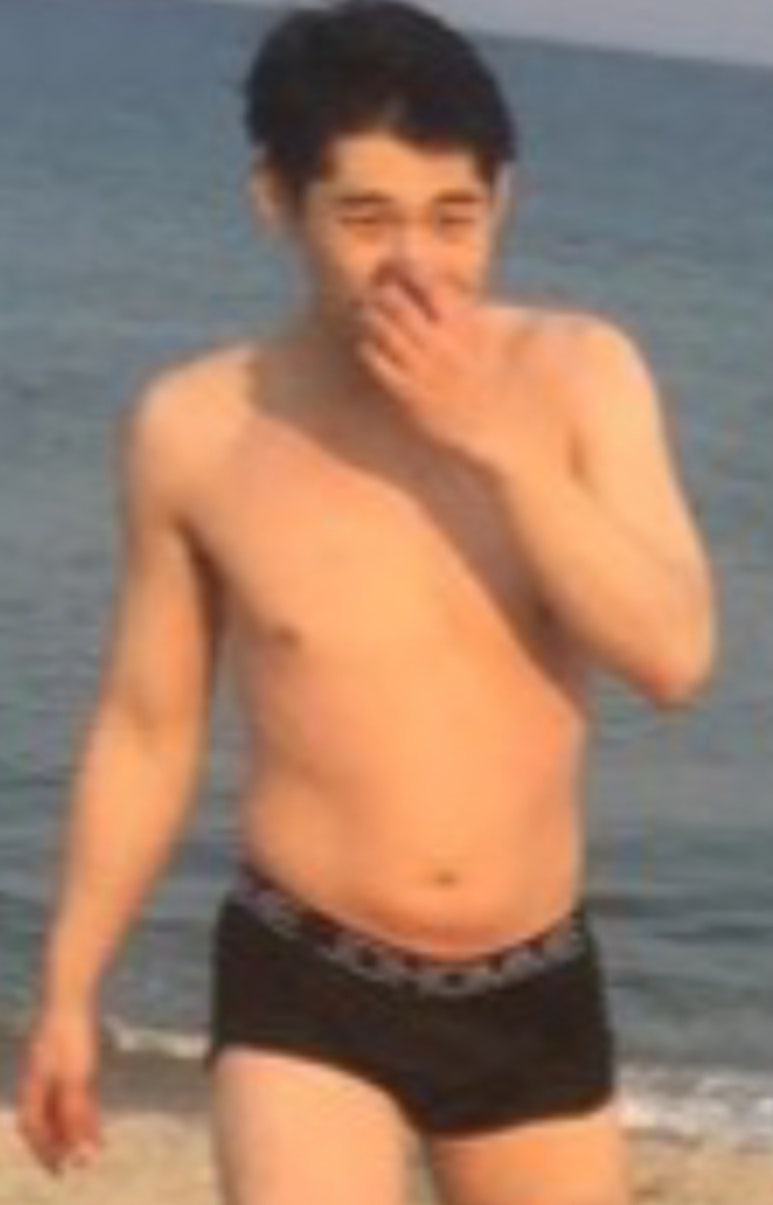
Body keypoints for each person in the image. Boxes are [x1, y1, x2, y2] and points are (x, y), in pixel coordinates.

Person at [17, 3, 716, 1202]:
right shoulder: (196, 428)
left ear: (502, 201)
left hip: (529, 979)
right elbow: (146, 727)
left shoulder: (579, 373)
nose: (415, 262)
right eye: (365, 217)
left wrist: (497, 445)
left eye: (453, 216)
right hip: (305, 970)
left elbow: (673, 656)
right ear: (276, 200)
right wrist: (70, 992)